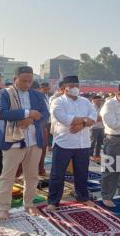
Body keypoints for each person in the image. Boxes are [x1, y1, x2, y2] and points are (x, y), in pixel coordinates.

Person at [0, 66, 49, 220]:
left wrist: (31, 119)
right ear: (15, 79)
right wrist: (28, 113)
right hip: (13, 141)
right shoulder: (4, 93)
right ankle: (3, 208)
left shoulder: (37, 95)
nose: (27, 84)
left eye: (30, 81)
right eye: (23, 81)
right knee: (8, 176)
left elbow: (45, 114)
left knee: (32, 175)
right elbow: (1, 113)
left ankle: (29, 204)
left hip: (34, 140)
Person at [46, 75, 97, 212]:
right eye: (72, 85)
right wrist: (85, 121)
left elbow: (94, 117)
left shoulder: (86, 101)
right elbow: (64, 119)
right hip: (64, 143)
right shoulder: (57, 102)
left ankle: (83, 197)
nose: (75, 88)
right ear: (63, 88)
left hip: (83, 144)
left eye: (77, 85)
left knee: (82, 173)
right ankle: (53, 201)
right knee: (58, 174)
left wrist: (81, 125)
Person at [90, 95, 105, 160]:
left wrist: (101, 118)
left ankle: (97, 155)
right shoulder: (91, 107)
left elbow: (104, 117)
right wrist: (102, 118)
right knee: (92, 142)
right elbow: (95, 118)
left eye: (100, 100)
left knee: (99, 143)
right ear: (94, 100)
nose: (100, 101)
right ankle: (90, 154)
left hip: (101, 127)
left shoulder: (102, 106)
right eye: (98, 100)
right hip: (94, 127)